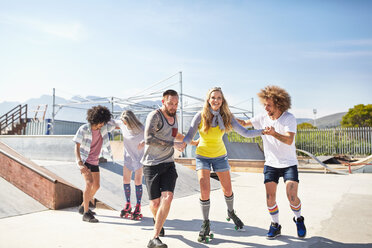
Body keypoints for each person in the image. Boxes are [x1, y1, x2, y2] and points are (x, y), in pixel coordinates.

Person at [183, 87, 264, 243]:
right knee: (204, 189)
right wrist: (182, 143)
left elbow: (245, 133)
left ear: (222, 100)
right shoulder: (199, 116)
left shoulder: (226, 116)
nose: (216, 100)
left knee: (227, 189)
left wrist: (263, 132)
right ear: (208, 99)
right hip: (203, 156)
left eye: (219, 98)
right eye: (213, 97)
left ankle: (231, 212)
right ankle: (206, 222)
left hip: (220, 156)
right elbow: (188, 137)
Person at [237, 85, 307, 239]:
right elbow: (243, 124)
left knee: (292, 196)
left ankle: (299, 218)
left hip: (289, 163)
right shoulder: (262, 118)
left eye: (269, 105)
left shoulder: (289, 118)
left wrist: (274, 133)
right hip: (271, 164)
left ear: (279, 104)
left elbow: (289, 140)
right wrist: (229, 117)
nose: (266, 107)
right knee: (270, 197)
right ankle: (275, 225)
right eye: (265, 104)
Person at [141, 89, 186, 248]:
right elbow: (148, 138)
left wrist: (190, 141)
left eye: (176, 104)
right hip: (151, 164)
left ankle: (154, 238)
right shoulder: (155, 116)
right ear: (163, 102)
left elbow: (174, 134)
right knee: (155, 203)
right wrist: (172, 144)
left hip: (168, 163)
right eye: (170, 103)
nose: (173, 107)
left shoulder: (175, 117)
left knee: (168, 197)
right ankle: (157, 221)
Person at [73, 105, 116, 223]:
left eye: (103, 122)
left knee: (96, 186)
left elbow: (115, 124)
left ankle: (83, 206)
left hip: (95, 161)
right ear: (94, 119)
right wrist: (80, 163)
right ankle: (86, 213)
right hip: (85, 160)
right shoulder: (83, 129)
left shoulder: (103, 128)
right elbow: (76, 147)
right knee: (89, 183)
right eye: (100, 122)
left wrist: (106, 117)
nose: (102, 125)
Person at [115, 110, 145, 220]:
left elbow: (151, 135)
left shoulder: (141, 128)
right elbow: (111, 122)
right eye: (123, 121)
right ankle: (128, 204)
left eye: (125, 121)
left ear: (130, 120)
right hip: (128, 157)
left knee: (138, 181)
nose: (124, 123)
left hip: (139, 157)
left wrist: (144, 142)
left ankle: (138, 205)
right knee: (126, 180)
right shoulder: (122, 124)